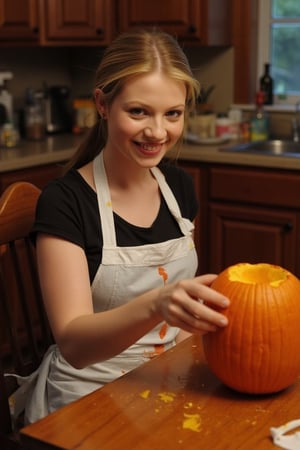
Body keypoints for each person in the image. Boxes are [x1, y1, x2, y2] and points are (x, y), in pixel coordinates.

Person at [17, 29, 230, 424]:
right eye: (138, 111)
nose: (158, 132)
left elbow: (181, 330)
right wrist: (156, 304)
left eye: (173, 113)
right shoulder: (66, 203)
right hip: (88, 395)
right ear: (102, 104)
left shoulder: (179, 187)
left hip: (166, 381)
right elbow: (75, 344)